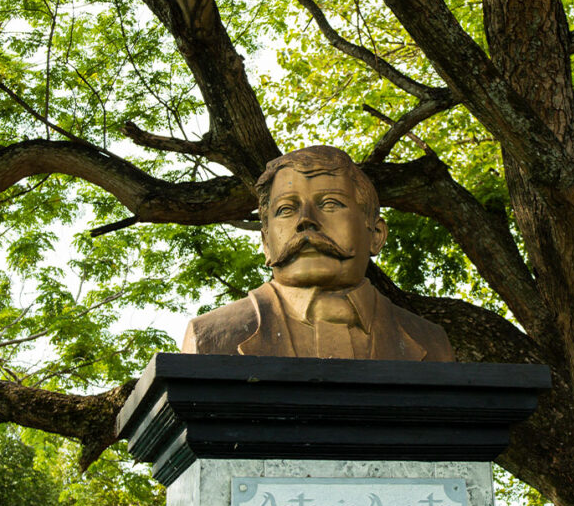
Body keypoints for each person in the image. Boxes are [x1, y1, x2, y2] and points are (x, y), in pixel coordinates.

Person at [181, 145, 455, 361]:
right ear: (266, 243)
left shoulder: (431, 341)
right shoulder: (208, 336)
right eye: (286, 209)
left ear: (376, 235)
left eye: (330, 204)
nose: (305, 220)